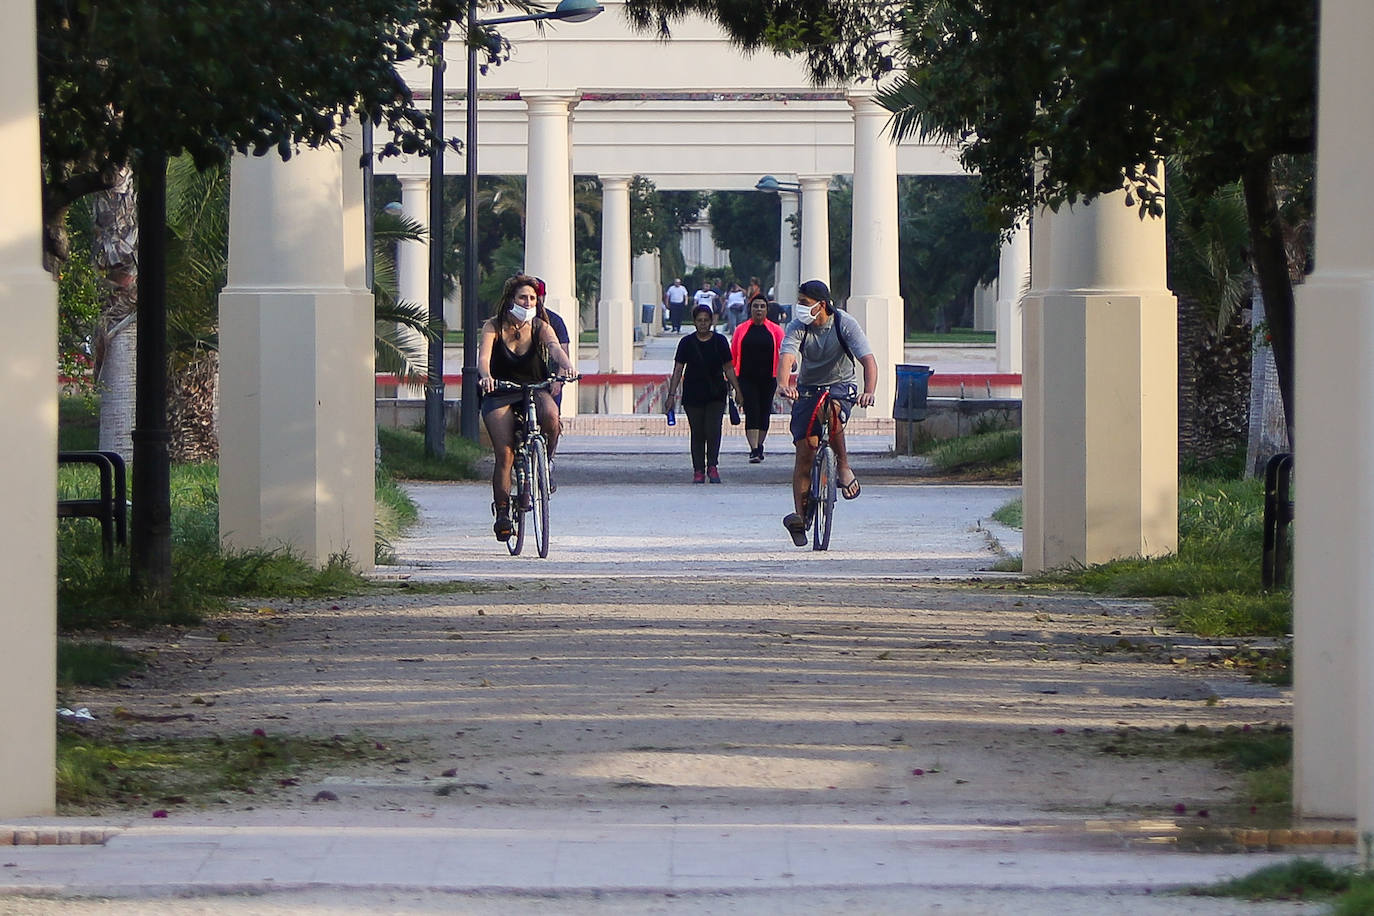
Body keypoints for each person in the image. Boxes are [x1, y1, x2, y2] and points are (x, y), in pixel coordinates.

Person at [776, 278, 879, 547]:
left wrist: (869, 391)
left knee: (831, 409)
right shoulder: (799, 326)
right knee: (805, 450)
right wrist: (784, 384)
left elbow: (868, 360)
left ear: (821, 305)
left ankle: (843, 466)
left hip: (841, 386)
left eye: (804, 303)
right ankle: (800, 519)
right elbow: (787, 356)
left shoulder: (844, 323)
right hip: (809, 387)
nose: (799, 308)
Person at [477, 274, 575, 541]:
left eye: (532, 298)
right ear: (511, 299)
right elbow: (484, 358)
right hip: (501, 391)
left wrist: (565, 365)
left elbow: (555, 347)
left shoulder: (541, 326)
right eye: (523, 297)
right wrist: (486, 376)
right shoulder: (493, 326)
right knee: (505, 454)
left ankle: (546, 461)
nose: (528, 302)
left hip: (533, 387)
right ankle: (502, 512)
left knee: (551, 417)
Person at [665, 302, 743, 484]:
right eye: (699, 320)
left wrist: (738, 390)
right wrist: (671, 394)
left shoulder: (720, 341)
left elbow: (728, 368)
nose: (703, 324)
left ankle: (713, 466)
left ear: (711, 321)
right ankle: (698, 469)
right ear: (694, 322)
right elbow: (678, 369)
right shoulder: (686, 343)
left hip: (716, 393)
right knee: (698, 432)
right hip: (693, 394)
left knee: (713, 430)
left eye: (706, 320)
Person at [730, 292, 784, 464]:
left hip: (768, 378)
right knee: (751, 411)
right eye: (755, 306)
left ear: (767, 309)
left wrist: (789, 367)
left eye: (762, 306)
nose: (759, 309)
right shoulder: (741, 329)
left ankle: (760, 445)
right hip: (746, 377)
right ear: (750, 309)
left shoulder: (775, 330)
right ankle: (753, 449)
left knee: (764, 412)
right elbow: (733, 355)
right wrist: (730, 378)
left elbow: (784, 353)